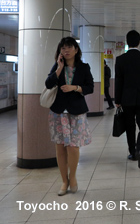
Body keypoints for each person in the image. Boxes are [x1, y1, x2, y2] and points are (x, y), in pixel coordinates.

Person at [45, 37, 94, 196]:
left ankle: (72, 177)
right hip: (58, 111)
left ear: (76, 50)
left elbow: (90, 87)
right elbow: (48, 84)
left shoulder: (84, 67)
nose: (65, 51)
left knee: (73, 146)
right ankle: (64, 181)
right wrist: (58, 68)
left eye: (68, 48)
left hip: (76, 111)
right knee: (60, 147)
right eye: (63, 48)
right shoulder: (57, 66)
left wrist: (75, 87)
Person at [115, 30, 140, 170]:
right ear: (139, 42)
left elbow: (119, 81)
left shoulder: (120, 60)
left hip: (127, 99)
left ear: (127, 42)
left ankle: (132, 153)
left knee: (130, 126)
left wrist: (117, 99)